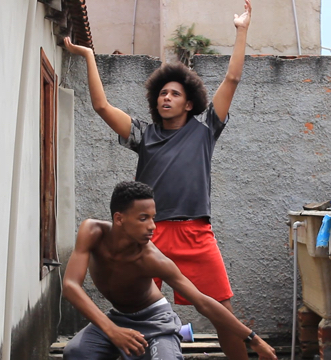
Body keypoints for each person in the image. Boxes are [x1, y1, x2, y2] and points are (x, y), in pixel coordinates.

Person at [64, 0, 253, 357]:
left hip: (197, 233)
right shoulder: (143, 135)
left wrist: (241, 31)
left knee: (223, 313)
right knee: (134, 311)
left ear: (189, 103)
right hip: (151, 234)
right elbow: (103, 107)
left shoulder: (205, 130)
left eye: (175, 94)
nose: (167, 97)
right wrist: (89, 56)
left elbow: (233, 78)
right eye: (162, 93)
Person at [63, 181, 277, 360]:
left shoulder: (152, 259)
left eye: (153, 217)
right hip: (117, 319)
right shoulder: (92, 231)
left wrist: (254, 340)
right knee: (76, 353)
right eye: (143, 218)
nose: (152, 226)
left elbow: (202, 302)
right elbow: (71, 286)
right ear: (119, 219)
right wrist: (112, 330)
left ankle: (168, 340)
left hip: (156, 322)